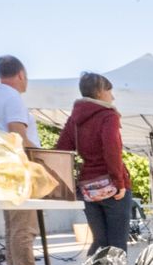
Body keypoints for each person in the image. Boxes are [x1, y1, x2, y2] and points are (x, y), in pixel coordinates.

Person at [55, 72, 131, 255]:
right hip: (111, 185)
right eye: (109, 91)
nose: (112, 97)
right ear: (99, 92)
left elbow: (61, 151)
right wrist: (119, 182)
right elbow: (112, 149)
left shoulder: (75, 119)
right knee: (117, 244)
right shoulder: (108, 115)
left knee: (100, 242)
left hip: (88, 187)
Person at [0, 55, 40, 265]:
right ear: (21, 74)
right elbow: (18, 136)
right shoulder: (13, 98)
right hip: (19, 170)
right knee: (24, 228)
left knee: (12, 227)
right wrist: (43, 159)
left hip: (2, 168)